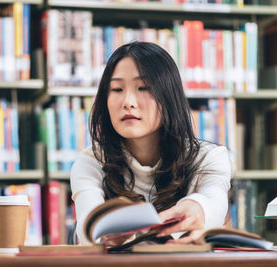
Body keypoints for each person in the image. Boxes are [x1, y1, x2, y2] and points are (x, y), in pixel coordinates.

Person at [70, 41, 232, 245]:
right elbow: (88, 227)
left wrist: (198, 207)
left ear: (168, 95)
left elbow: (214, 200)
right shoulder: (91, 162)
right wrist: (103, 233)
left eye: (144, 87)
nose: (128, 101)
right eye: (117, 89)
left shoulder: (209, 157)